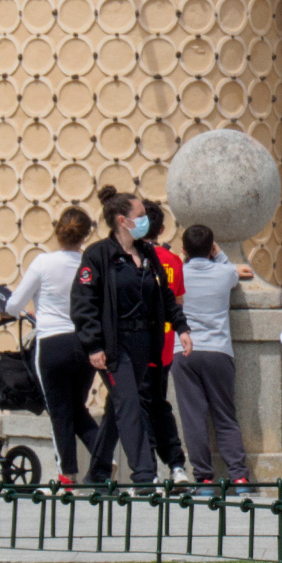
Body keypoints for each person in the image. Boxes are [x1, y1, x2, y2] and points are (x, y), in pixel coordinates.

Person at [71, 186, 191, 486]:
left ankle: (97, 474)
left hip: (144, 343)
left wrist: (181, 327)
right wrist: (93, 344)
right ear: (122, 221)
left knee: (118, 408)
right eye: (140, 215)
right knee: (130, 404)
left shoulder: (147, 253)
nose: (145, 220)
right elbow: (84, 303)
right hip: (114, 345)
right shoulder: (98, 255)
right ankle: (144, 475)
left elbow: (164, 295)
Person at [7, 205, 100, 486]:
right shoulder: (90, 264)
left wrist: (29, 313)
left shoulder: (43, 263)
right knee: (77, 408)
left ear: (57, 230)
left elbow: (13, 305)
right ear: (85, 235)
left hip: (51, 343)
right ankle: (103, 457)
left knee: (59, 411)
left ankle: (67, 475)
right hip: (84, 343)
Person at [173, 224, 251, 494]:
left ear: (184, 250)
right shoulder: (223, 272)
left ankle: (204, 480)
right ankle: (239, 478)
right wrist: (220, 255)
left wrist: (184, 259)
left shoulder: (179, 273)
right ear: (212, 248)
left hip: (184, 351)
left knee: (193, 418)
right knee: (225, 416)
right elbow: (235, 271)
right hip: (218, 351)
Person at [140, 199, 190, 483]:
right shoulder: (172, 260)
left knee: (141, 407)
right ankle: (176, 465)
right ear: (161, 229)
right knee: (159, 404)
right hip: (166, 344)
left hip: (139, 344)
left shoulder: (134, 259)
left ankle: (150, 470)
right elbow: (178, 303)